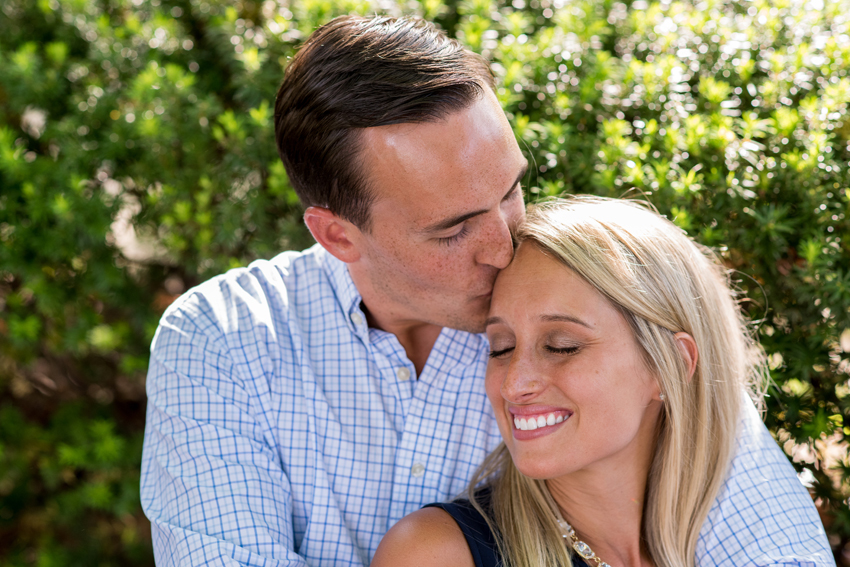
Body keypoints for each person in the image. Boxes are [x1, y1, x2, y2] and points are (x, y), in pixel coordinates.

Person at [140, 15, 832, 567]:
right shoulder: (223, 339)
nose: (505, 244)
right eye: (454, 228)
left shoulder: (590, 292)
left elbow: (768, 538)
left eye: (509, 191)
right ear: (338, 235)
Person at [372, 197, 834, 567]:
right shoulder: (435, 553)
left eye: (561, 345)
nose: (514, 384)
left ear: (668, 366)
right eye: (500, 347)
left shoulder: (730, 545)